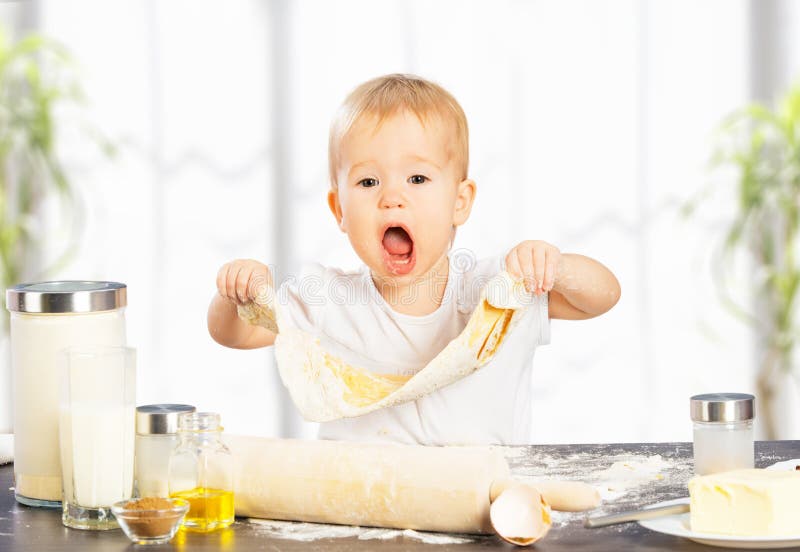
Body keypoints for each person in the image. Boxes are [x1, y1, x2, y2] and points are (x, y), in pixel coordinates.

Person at [207, 74, 621, 445]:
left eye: (417, 179)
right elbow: (234, 335)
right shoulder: (328, 302)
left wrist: (555, 266)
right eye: (368, 181)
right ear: (339, 211)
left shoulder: (497, 291)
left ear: (460, 202)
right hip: (359, 508)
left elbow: (602, 296)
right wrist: (237, 292)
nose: (392, 198)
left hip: (481, 503)